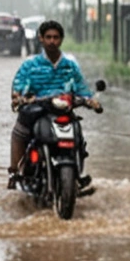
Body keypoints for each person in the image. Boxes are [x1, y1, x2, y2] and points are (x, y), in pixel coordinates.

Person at [9, 19, 100, 190]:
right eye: (48, 37)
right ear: (41, 39)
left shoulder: (70, 66)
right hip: (37, 109)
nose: (52, 41)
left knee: (78, 136)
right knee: (20, 130)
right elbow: (18, 87)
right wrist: (18, 98)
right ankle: (15, 172)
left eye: (56, 37)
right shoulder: (30, 65)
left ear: (61, 39)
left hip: (64, 109)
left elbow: (82, 89)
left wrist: (91, 100)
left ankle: (78, 171)